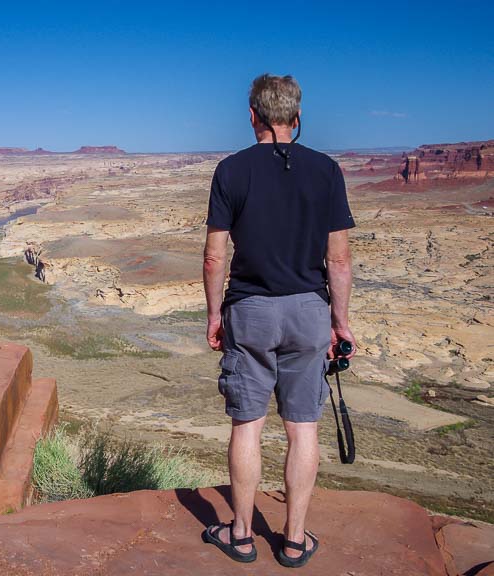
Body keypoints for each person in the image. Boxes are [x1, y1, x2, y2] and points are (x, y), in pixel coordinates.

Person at [201, 73, 356, 568]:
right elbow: (339, 260)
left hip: (250, 310)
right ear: (297, 118)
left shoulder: (231, 170)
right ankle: (294, 540)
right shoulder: (327, 170)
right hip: (310, 311)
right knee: (302, 426)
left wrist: (212, 314)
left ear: (252, 117)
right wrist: (341, 321)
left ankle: (241, 535)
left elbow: (213, 257)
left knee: (248, 423)